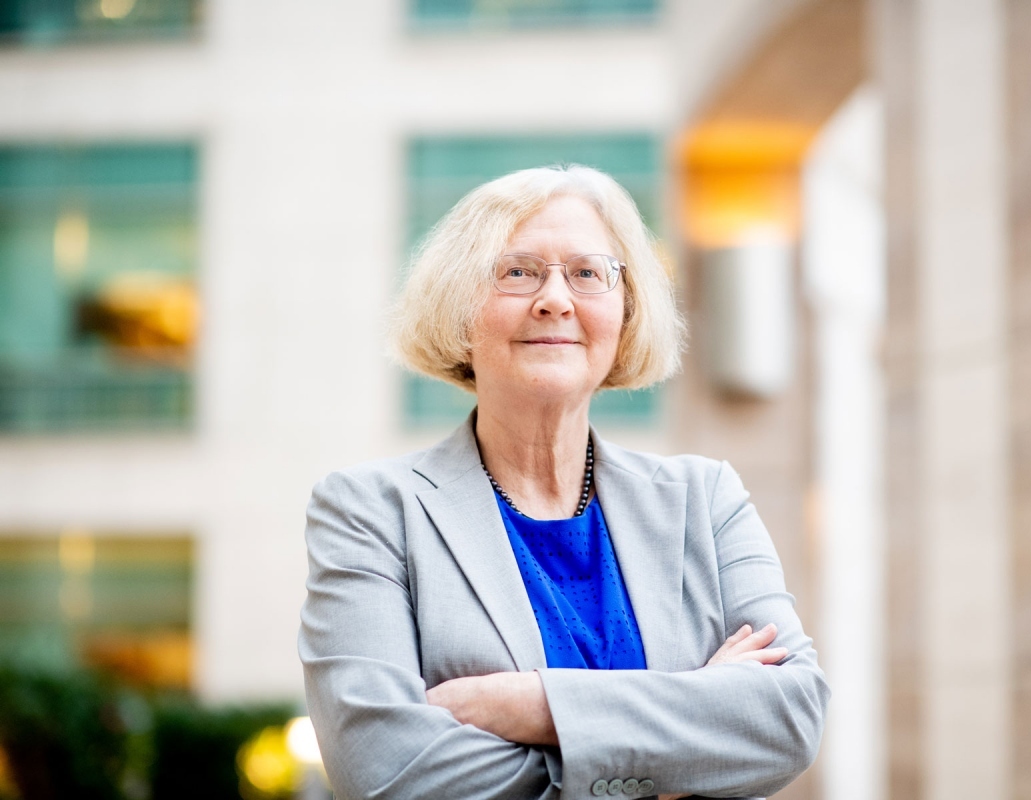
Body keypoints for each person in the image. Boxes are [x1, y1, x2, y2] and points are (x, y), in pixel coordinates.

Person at [298, 165, 829, 800]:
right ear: (458, 305)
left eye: (587, 273)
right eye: (517, 271)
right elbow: (387, 773)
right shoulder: (370, 511)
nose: (555, 298)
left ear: (626, 311)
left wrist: (532, 704)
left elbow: (788, 716)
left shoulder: (703, 499)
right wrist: (683, 744)